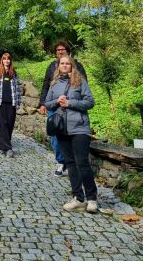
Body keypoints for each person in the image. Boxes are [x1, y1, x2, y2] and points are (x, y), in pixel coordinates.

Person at [44, 55, 98, 213]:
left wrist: (70, 103)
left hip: (79, 127)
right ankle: (78, 198)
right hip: (62, 129)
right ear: (59, 66)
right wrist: (56, 101)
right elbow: (47, 103)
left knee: (82, 163)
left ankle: (92, 199)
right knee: (71, 163)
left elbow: (90, 102)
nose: (65, 66)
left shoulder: (80, 81)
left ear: (72, 66)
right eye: (62, 63)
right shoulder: (54, 84)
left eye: (68, 63)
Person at [39, 40, 87, 176]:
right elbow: (45, 86)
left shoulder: (77, 66)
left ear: (68, 51)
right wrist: (43, 103)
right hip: (54, 107)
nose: (60, 52)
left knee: (71, 135)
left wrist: (73, 101)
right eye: (58, 50)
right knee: (55, 136)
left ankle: (71, 162)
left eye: (63, 49)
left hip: (71, 107)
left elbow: (84, 87)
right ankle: (61, 162)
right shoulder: (51, 67)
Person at [0, 52, 21, 158]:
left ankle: (2, 146)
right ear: (2, 60)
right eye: (4, 59)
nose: (6, 60)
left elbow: (18, 89)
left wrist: (18, 103)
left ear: (10, 60)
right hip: (0, 103)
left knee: (9, 125)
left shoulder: (14, 73)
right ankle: (8, 148)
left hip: (12, 103)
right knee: (2, 124)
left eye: (8, 59)